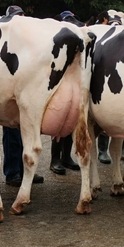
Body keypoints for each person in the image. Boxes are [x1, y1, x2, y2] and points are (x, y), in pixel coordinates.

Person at [2, 5, 44, 186]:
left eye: (22, 16)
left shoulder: (28, 41)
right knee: (12, 136)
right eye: (17, 17)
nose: (20, 19)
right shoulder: (6, 41)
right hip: (10, 93)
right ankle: (13, 173)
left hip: (26, 91)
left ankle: (27, 171)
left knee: (28, 134)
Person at [48, 11, 83, 175]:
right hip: (59, 83)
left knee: (71, 120)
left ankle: (66, 157)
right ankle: (55, 159)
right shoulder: (55, 40)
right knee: (59, 123)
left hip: (74, 81)